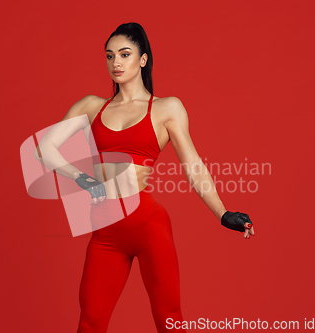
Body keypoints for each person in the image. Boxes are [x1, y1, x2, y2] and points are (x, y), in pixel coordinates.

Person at [38, 22, 255, 333]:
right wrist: (81, 179)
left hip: (147, 224)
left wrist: (223, 213)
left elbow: (192, 165)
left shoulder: (166, 108)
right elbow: (45, 148)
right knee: (89, 322)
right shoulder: (92, 107)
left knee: (169, 319)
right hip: (105, 231)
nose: (116, 63)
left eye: (125, 55)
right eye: (110, 56)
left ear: (143, 59)